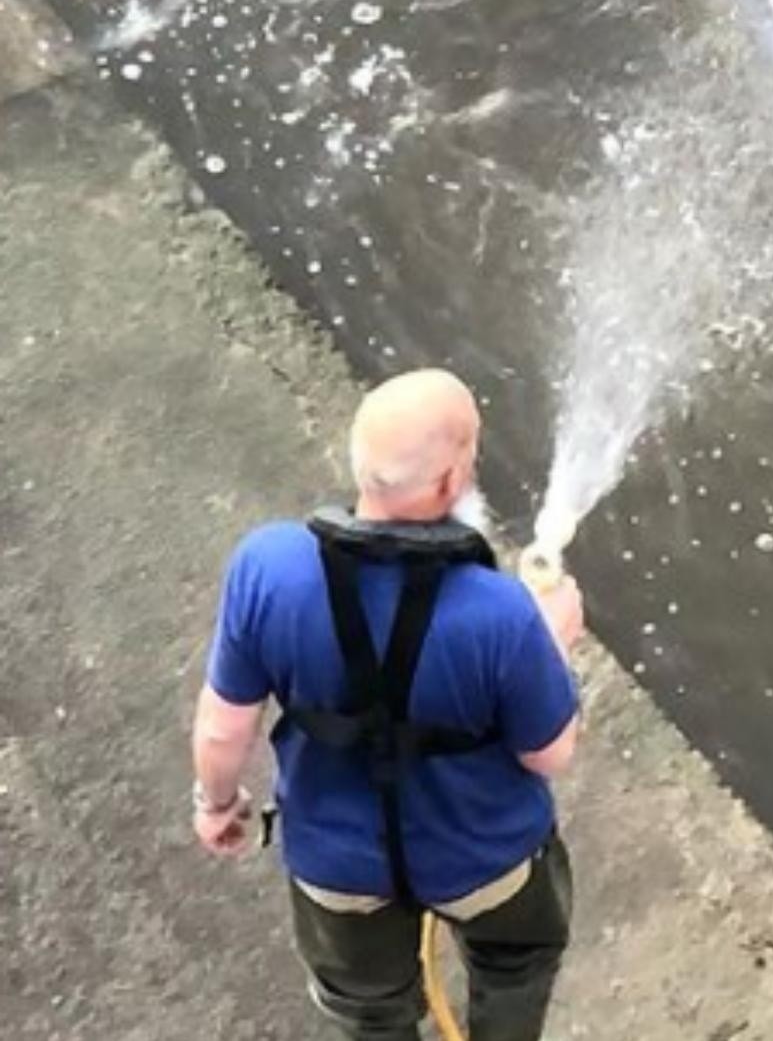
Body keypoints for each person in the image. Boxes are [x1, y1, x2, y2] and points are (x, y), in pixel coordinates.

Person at [190, 368, 586, 1041]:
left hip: (338, 869)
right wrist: (550, 644)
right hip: (485, 858)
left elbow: (224, 728)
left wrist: (217, 805)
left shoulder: (269, 567)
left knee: (369, 1010)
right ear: (447, 482)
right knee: (515, 962)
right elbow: (549, 753)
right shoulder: (501, 613)